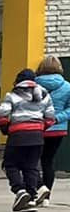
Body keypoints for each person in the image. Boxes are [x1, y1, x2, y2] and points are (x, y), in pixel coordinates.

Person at [0, 70, 52, 212]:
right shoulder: (45, 96)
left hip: (18, 136)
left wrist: (6, 128)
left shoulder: (12, 95)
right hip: (37, 136)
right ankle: (32, 198)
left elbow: (2, 116)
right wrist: (40, 128)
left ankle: (20, 191)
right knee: (31, 167)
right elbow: (51, 118)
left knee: (10, 164)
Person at [31, 55, 69, 204]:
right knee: (48, 161)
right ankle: (46, 197)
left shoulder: (33, 85)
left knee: (32, 161)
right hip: (57, 129)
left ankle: (37, 190)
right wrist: (57, 118)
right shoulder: (67, 86)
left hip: (36, 127)